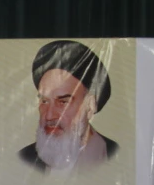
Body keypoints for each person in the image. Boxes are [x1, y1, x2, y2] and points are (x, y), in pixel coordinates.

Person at [19, 40, 119, 173]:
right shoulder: (25, 158)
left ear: (90, 106)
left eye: (63, 102)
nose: (49, 115)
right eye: (44, 101)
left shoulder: (114, 156)